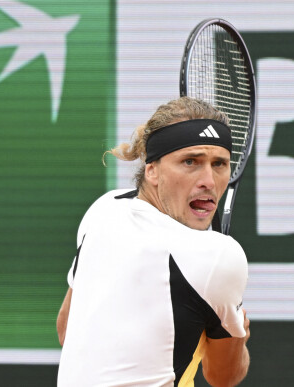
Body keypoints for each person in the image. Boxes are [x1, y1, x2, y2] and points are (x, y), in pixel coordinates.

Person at [56, 96, 250, 387]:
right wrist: (239, 333)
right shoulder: (220, 256)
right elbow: (222, 377)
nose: (208, 181)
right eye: (190, 162)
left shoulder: (104, 208)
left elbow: (67, 331)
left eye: (219, 164)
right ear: (152, 170)